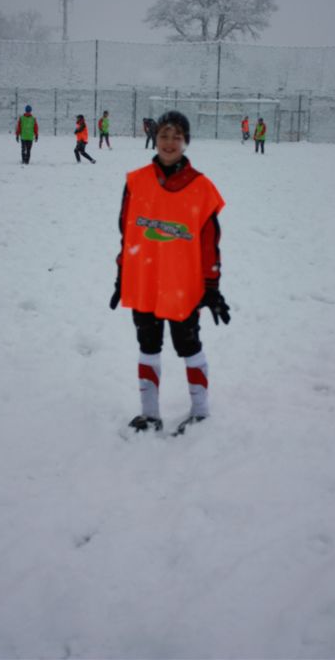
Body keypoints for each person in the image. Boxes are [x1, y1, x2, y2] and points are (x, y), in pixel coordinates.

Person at [110, 110, 230, 435]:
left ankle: (200, 413)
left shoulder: (201, 187)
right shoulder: (136, 182)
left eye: (177, 136)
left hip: (183, 287)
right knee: (148, 346)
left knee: (189, 347)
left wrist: (212, 286)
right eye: (164, 135)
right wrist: (122, 274)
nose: (169, 142)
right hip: (145, 283)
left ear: (186, 142)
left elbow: (209, 242)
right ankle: (150, 415)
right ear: (155, 139)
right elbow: (127, 233)